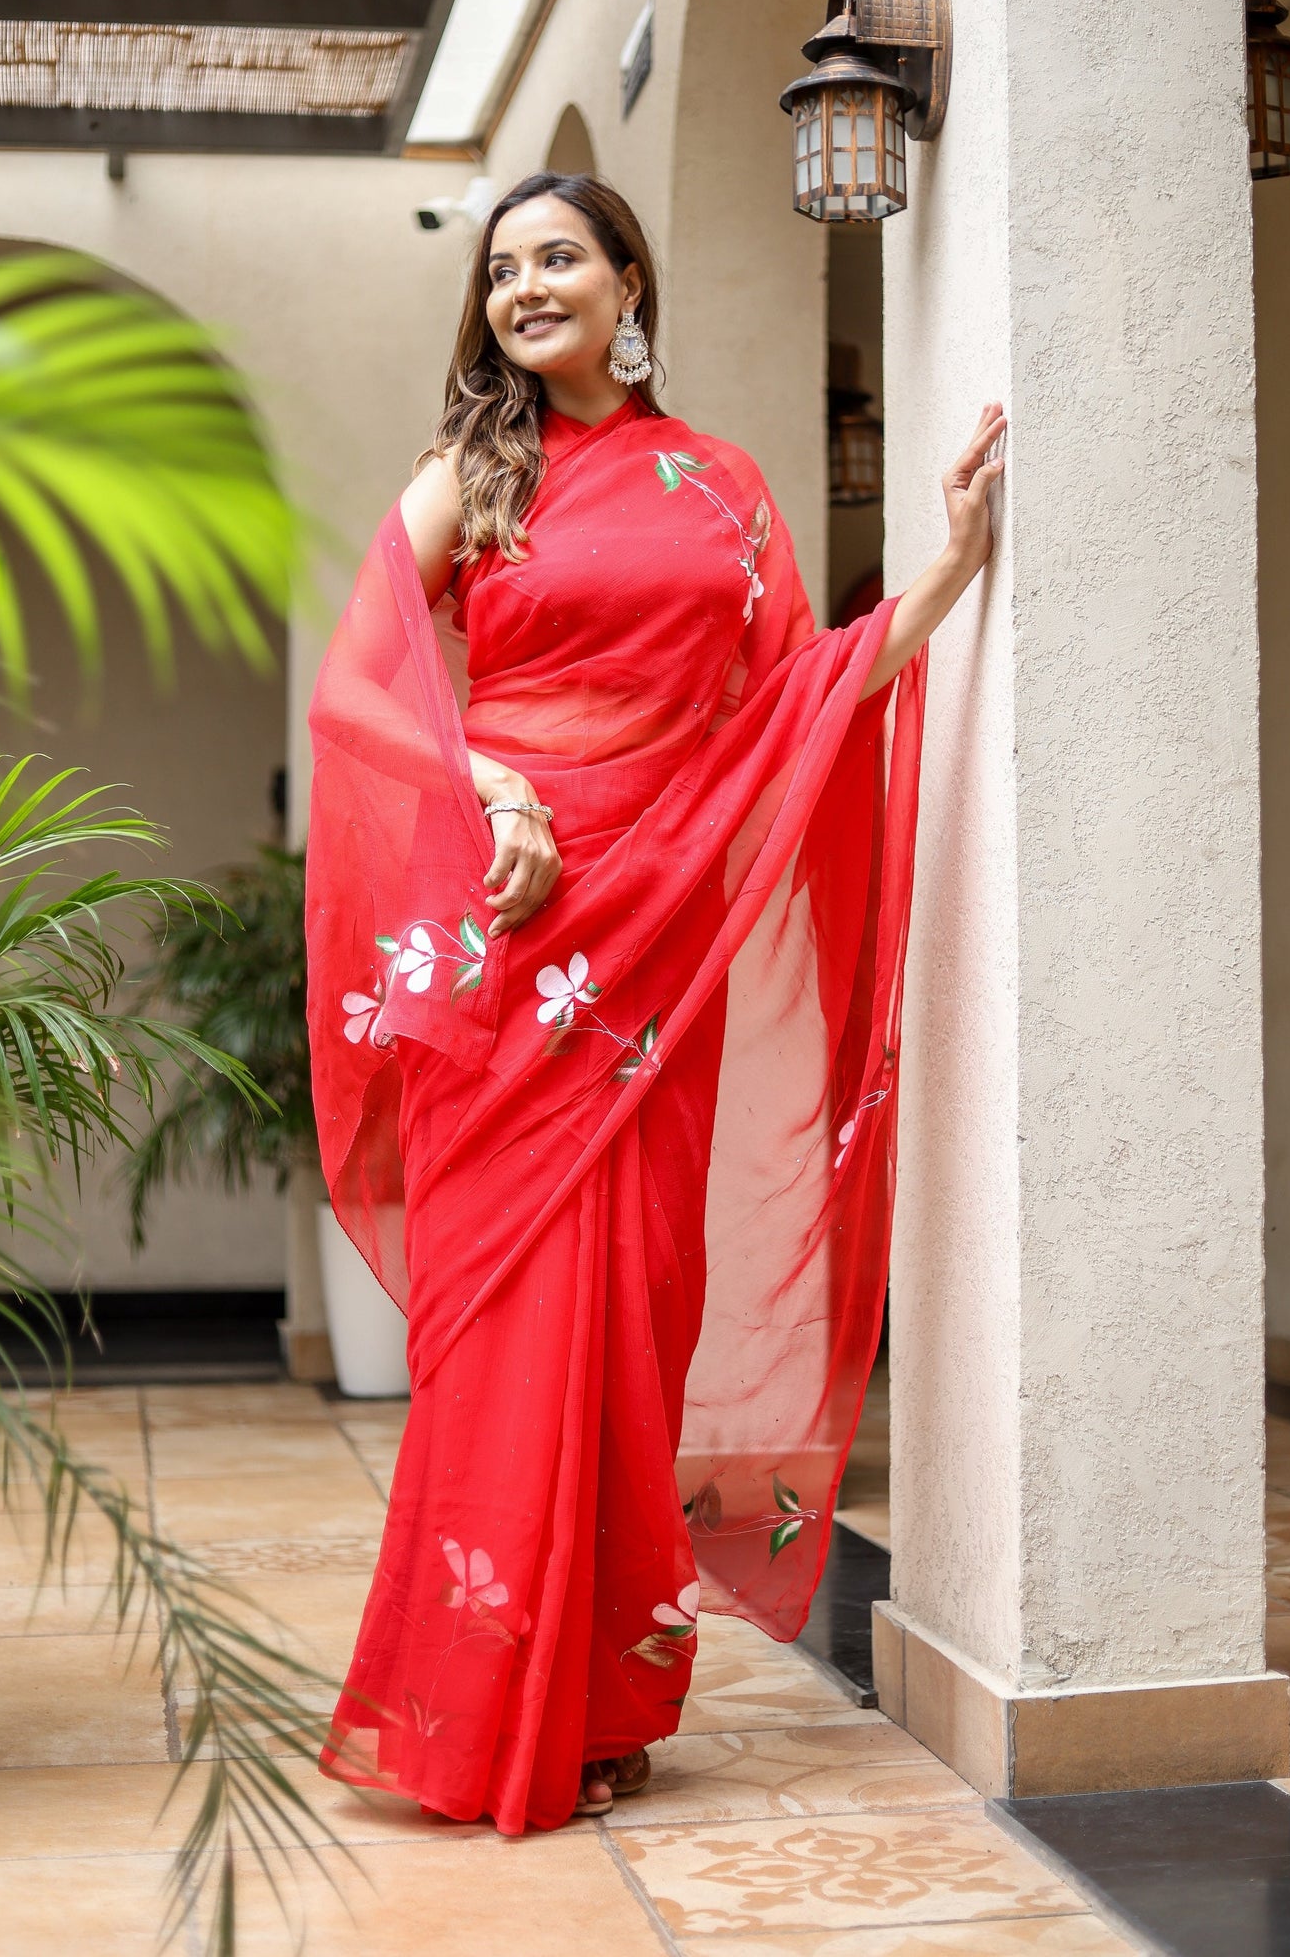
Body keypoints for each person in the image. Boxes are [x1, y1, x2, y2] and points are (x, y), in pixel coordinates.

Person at [305, 170, 1002, 1832]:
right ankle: (476, 1711)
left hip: (658, 950)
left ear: (628, 283)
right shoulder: (472, 476)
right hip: (514, 933)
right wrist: (491, 784)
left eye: (559, 258)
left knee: (633, 1327)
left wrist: (948, 572)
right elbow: (356, 689)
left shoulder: (721, 487)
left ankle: (600, 1704)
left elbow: (796, 697)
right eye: (502, 271)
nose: (526, 289)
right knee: (500, 1331)